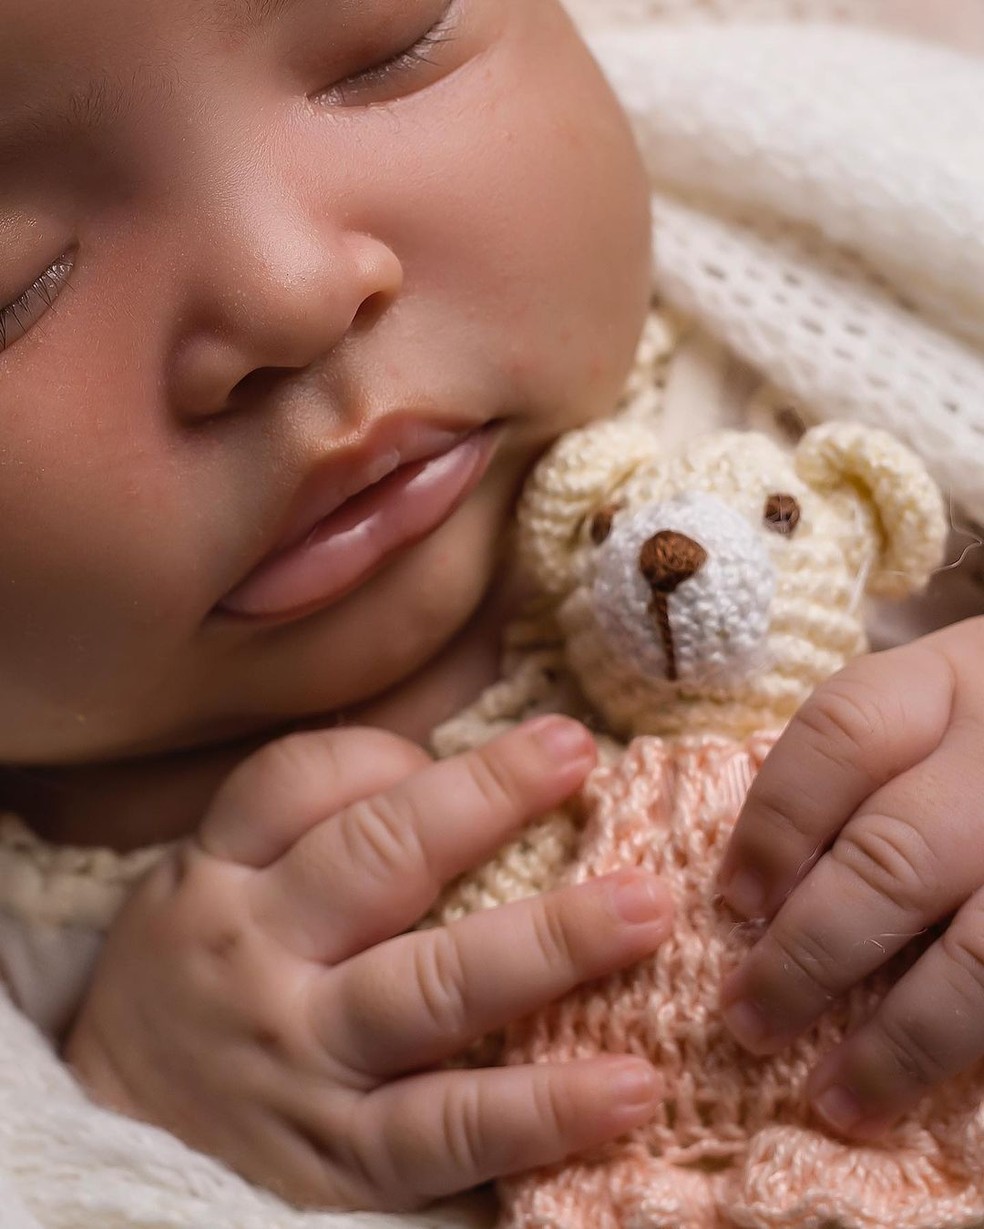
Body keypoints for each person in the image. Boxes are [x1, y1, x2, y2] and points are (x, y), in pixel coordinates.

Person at [0, 0, 981, 1216]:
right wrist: (142, 1120)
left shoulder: (831, 369)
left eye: (387, 44)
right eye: (17, 286)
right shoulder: (51, 1018)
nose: (288, 291)